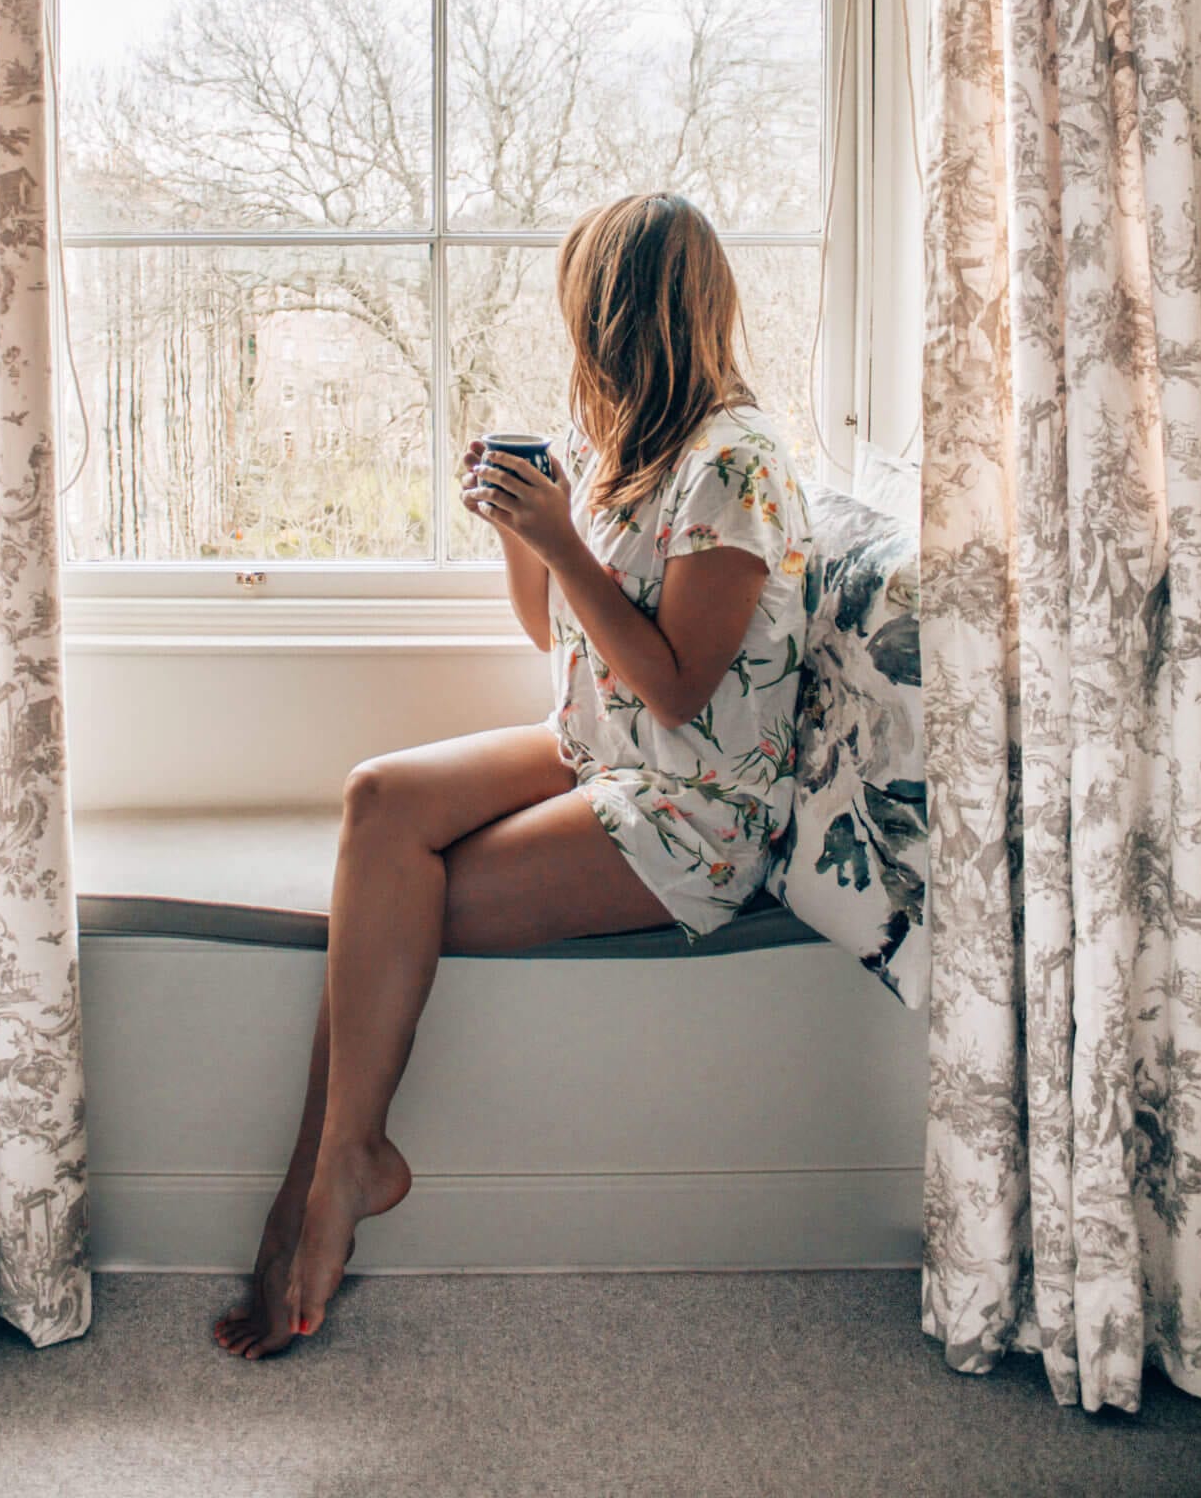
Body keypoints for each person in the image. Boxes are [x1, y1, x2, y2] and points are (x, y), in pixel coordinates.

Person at [214, 191, 814, 1359]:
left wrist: (561, 541)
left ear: (629, 316)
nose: (578, 337)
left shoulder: (737, 464)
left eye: (588, 312)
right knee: (379, 802)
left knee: (383, 917)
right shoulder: (632, 445)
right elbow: (557, 638)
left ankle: (311, 1199)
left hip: (697, 804)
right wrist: (515, 526)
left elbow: (683, 686)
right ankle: (348, 1161)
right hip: (607, 747)